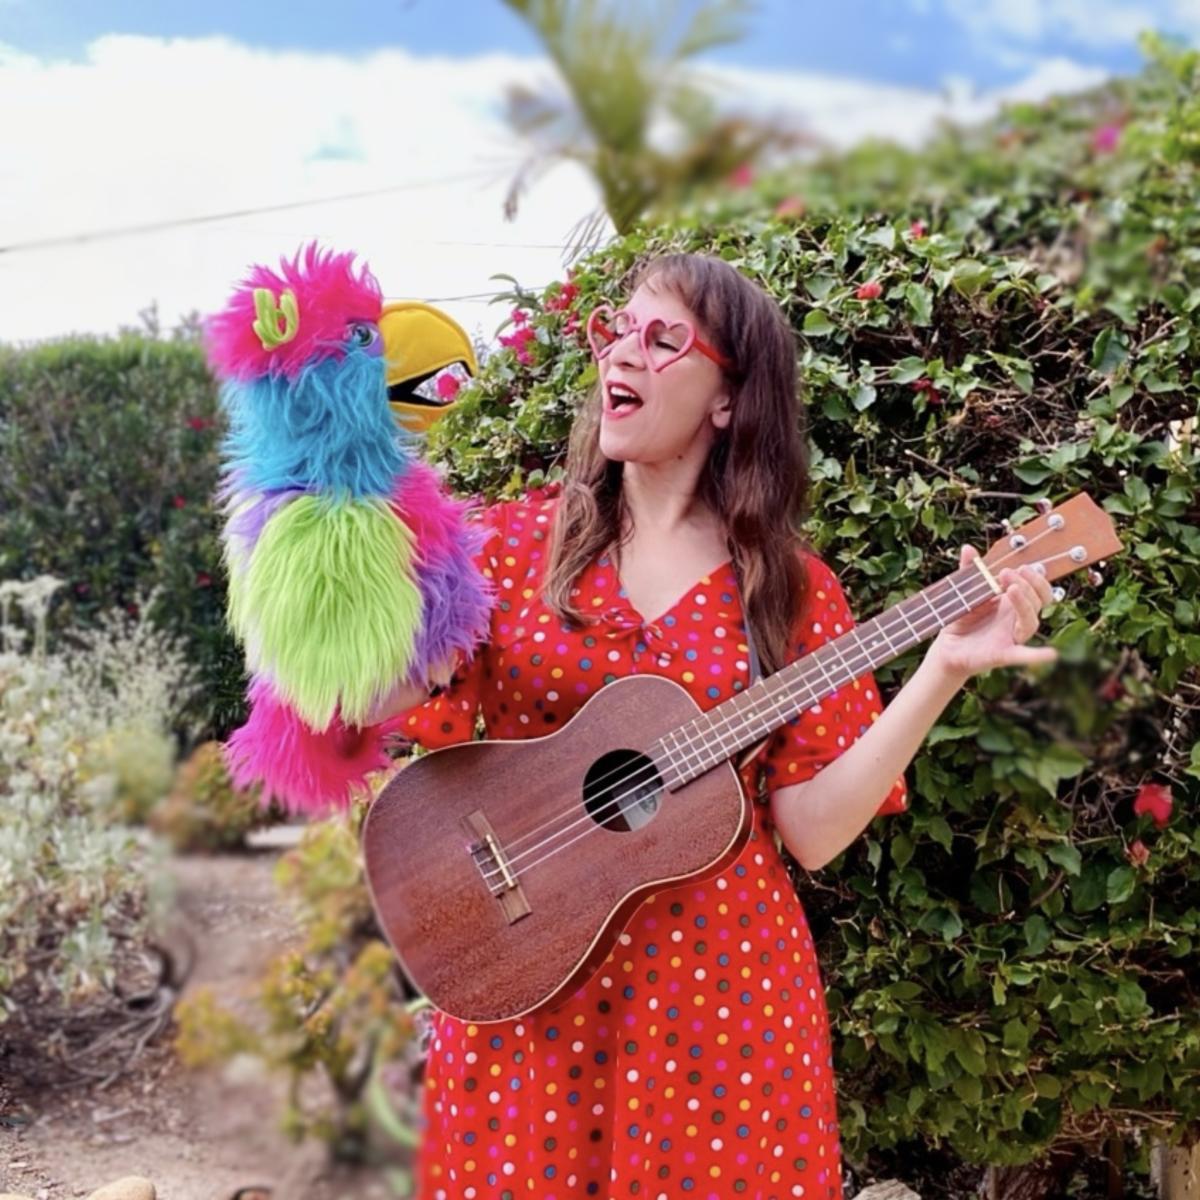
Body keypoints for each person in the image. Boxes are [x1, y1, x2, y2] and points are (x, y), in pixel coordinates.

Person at [369, 252, 1057, 1200]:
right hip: (526, 987)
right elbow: (369, 707)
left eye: (664, 340)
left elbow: (812, 832)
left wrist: (941, 669)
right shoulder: (514, 543)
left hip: (716, 1003)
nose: (627, 352)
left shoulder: (789, 593)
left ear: (728, 400)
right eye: (621, 330)